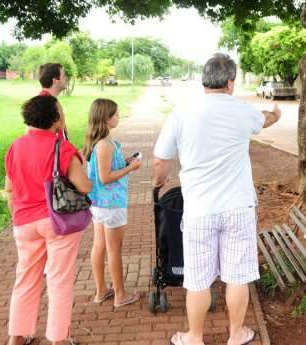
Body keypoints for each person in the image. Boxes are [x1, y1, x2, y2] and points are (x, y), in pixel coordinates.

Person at [153, 53, 281, 345]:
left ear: (204, 80)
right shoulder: (242, 110)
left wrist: (159, 180)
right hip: (238, 207)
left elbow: (161, 160)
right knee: (237, 276)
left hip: (199, 210)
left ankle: (194, 337)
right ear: (230, 82)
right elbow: (266, 120)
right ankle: (236, 334)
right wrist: (276, 111)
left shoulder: (181, 113)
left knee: (197, 279)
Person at [4, 95, 92, 345]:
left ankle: (16, 338)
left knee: (26, 278)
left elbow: (9, 189)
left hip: (23, 222)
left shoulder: (15, 146)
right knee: (59, 280)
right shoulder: (61, 147)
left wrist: (17, 217)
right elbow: (84, 186)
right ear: (55, 120)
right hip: (57, 222)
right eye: (61, 111)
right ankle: (58, 339)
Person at [84, 98, 142, 307]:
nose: (118, 117)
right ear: (107, 119)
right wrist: (131, 168)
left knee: (99, 246)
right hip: (112, 205)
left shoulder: (96, 143)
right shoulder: (105, 144)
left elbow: (103, 171)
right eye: (116, 114)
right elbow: (106, 177)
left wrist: (123, 162)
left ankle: (101, 291)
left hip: (99, 204)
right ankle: (120, 295)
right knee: (114, 249)